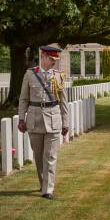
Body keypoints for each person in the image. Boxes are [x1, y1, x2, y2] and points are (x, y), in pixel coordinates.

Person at [17, 45, 69, 199]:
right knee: (39, 157)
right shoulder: (30, 74)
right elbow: (23, 98)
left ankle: (48, 189)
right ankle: (43, 183)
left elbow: (64, 102)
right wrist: (21, 118)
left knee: (50, 156)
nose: (54, 63)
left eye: (55, 60)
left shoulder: (59, 76)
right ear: (44, 57)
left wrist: (66, 123)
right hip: (35, 120)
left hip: (53, 120)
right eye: (52, 59)